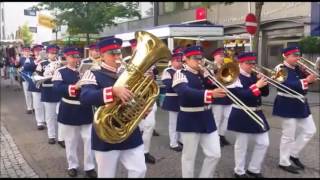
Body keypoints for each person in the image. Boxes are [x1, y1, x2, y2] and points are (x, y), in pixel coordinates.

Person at [80, 37, 146, 178]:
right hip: (106, 132)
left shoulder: (129, 72)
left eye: (119, 53)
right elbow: (86, 97)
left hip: (129, 130)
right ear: (102, 55)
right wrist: (113, 91)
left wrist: (142, 108)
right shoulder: (92, 73)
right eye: (112, 54)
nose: (117, 57)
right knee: (106, 175)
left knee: (140, 170)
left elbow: (139, 95)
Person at [172, 45, 225, 178]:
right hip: (189, 119)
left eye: (201, 59)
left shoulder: (204, 74)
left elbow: (218, 86)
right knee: (189, 157)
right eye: (196, 59)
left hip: (207, 118)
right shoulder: (180, 74)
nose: (199, 62)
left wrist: (216, 77)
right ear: (186, 59)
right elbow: (185, 93)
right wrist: (210, 93)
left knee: (214, 154)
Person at [52, 47, 96, 178]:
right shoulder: (60, 71)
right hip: (69, 109)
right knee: (71, 141)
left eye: (77, 57)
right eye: (72, 57)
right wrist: (74, 87)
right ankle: (72, 165)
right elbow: (57, 88)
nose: (75, 59)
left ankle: (90, 167)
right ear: (66, 57)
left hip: (85, 109)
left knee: (89, 140)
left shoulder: (86, 71)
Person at [273, 46, 317, 174]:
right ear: (285, 56)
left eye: (298, 56)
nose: (298, 58)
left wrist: (311, 77)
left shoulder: (298, 68)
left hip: (300, 103)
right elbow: (286, 85)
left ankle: (293, 153)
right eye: (294, 56)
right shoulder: (279, 69)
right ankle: (284, 161)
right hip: (286, 103)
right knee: (288, 135)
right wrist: (306, 80)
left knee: (310, 130)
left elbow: (308, 83)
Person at [227, 52, 270, 178]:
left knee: (263, 143)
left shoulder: (254, 75)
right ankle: (239, 171)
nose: (252, 66)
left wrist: (263, 81)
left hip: (257, 112)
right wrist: (257, 85)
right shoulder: (233, 77)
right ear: (240, 63)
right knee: (242, 145)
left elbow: (265, 94)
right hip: (242, 112)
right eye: (248, 63)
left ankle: (254, 169)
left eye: (253, 63)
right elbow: (242, 95)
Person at [129, 38, 157, 164]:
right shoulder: (127, 62)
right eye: (136, 47)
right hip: (132, 99)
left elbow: (153, 79)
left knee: (149, 126)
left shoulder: (150, 62)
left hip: (148, 98)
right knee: (136, 127)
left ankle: (145, 152)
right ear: (132, 48)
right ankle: (134, 151)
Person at [39, 45, 64, 146]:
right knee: (50, 116)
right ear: (47, 53)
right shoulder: (42, 64)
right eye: (52, 53)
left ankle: (61, 138)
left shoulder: (62, 63)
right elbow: (36, 76)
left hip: (60, 91)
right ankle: (51, 136)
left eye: (55, 53)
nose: (54, 55)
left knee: (62, 116)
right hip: (48, 90)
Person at [161, 48, 184, 152]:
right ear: (173, 61)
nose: (180, 63)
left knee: (182, 121)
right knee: (173, 122)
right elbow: (168, 85)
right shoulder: (167, 71)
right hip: (172, 98)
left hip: (182, 99)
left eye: (181, 61)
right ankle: (173, 143)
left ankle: (181, 139)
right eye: (177, 61)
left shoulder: (184, 71)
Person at [210, 48, 232, 147]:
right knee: (217, 118)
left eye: (223, 56)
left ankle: (221, 135)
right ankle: (215, 138)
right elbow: (209, 82)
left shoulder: (225, 66)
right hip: (217, 95)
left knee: (228, 117)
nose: (222, 57)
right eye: (220, 56)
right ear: (215, 56)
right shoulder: (211, 67)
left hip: (227, 95)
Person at [28, 44, 46, 130]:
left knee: (46, 104)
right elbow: (26, 67)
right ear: (33, 52)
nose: (38, 52)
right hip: (35, 84)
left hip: (46, 84)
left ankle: (46, 119)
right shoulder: (30, 59)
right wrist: (37, 61)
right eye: (36, 50)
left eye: (40, 50)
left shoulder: (46, 60)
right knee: (38, 104)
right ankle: (40, 121)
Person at [15, 46, 34, 114]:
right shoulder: (21, 59)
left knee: (33, 93)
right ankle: (29, 107)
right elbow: (17, 66)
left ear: (29, 52)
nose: (26, 52)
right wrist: (16, 63)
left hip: (32, 78)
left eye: (28, 51)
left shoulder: (33, 58)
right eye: (25, 51)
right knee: (27, 93)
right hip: (24, 78)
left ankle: (34, 107)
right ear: (23, 52)